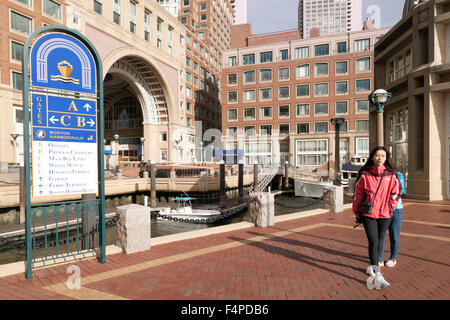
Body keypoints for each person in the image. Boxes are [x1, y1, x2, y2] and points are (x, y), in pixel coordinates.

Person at [353, 146, 401, 289]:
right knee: (373, 241)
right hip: (369, 214)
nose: (380, 158)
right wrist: (357, 212)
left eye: (383, 156)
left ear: (386, 158)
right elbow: (358, 195)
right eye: (377, 155)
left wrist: (390, 207)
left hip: (385, 214)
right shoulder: (365, 174)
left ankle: (372, 267)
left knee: (380, 241)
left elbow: (396, 193)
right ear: (372, 157)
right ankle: (378, 274)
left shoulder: (392, 174)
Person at [379, 170, 405, 268]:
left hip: (396, 208)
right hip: (381, 208)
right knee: (381, 235)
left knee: (394, 234)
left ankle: (393, 257)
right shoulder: (378, 174)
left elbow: (400, 190)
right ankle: (380, 258)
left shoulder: (398, 175)